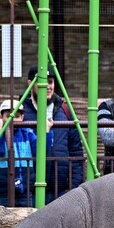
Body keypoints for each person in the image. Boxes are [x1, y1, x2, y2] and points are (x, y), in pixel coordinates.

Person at [22, 64, 83, 203]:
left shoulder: (65, 111)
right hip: (29, 192)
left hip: (61, 190)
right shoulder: (21, 112)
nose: (47, 86)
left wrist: (73, 187)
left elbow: (76, 152)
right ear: (30, 84)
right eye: (42, 82)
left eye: (50, 82)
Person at [0, 100, 54, 207]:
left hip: (25, 189)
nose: (13, 120)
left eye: (16, 116)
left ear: (22, 118)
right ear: (1, 117)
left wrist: (47, 132)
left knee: (26, 218)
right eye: (9, 116)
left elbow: (40, 151)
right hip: (4, 189)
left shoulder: (27, 133)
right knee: (4, 218)